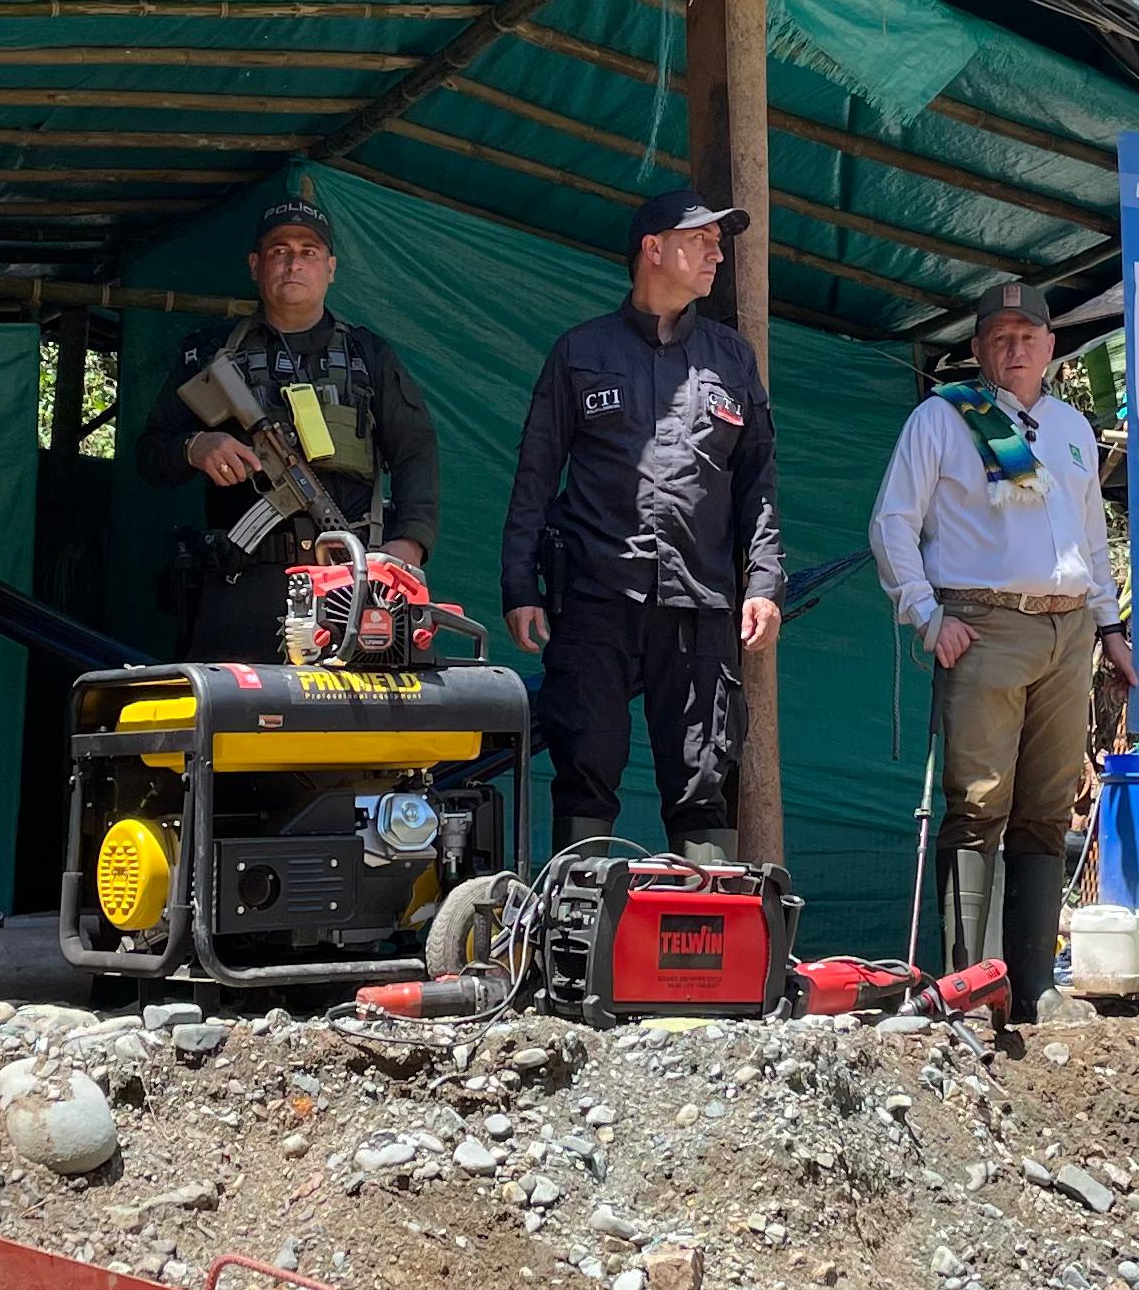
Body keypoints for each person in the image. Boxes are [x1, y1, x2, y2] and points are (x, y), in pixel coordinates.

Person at [870, 279, 1132, 1018]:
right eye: (1000, 338)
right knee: (979, 804)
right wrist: (926, 615)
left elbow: (1088, 542)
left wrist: (1110, 631)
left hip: (1067, 630)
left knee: (1046, 810)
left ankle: (1036, 990)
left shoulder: (1074, 429)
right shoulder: (945, 419)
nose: (1015, 349)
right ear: (980, 348)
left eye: (1028, 337)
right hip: (984, 624)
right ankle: (970, 990)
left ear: (1052, 349)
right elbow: (892, 523)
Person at [502, 187, 783, 863]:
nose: (717, 253)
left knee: (701, 777)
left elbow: (760, 482)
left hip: (701, 603)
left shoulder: (732, 357)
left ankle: (705, 945)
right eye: (701, 240)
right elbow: (535, 475)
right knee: (585, 764)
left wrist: (765, 581)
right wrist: (519, 585)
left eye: (721, 242)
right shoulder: (579, 351)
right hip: (596, 597)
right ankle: (579, 941)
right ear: (652, 250)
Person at [134, 193, 440, 661]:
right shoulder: (211, 354)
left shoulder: (368, 356)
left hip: (348, 584)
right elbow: (151, 452)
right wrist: (197, 447)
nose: (293, 264)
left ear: (330, 267)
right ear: (255, 265)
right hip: (243, 589)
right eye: (279, 252)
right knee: (236, 728)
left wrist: (409, 544)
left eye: (308, 252)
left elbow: (416, 451)